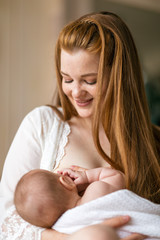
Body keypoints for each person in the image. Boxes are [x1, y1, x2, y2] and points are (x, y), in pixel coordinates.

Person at [0, 10, 160, 240]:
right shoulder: (42, 125)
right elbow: (6, 224)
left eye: (90, 80)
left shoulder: (154, 143)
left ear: (120, 75)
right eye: (67, 79)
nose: (76, 92)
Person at [14, 167, 125, 228]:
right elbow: (117, 177)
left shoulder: (63, 227)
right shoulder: (95, 191)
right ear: (66, 181)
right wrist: (86, 176)